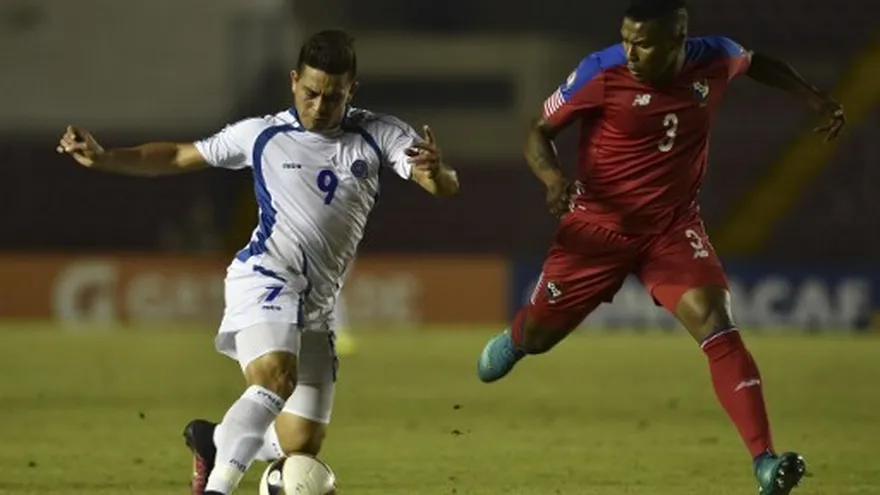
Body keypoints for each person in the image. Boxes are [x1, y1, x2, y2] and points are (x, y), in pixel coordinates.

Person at [57, 29, 459, 495]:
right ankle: (218, 489)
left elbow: (441, 184)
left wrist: (436, 172)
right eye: (310, 93)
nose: (319, 105)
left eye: (333, 96)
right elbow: (178, 154)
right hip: (265, 276)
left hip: (318, 304)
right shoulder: (261, 134)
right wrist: (105, 157)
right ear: (293, 82)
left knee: (300, 443)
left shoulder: (379, 133)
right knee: (275, 378)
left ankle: (215, 441)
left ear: (353, 90)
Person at [476, 1, 844, 493]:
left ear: (678, 40)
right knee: (540, 337)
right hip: (596, 230)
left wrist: (814, 97)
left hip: (672, 230)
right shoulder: (599, 70)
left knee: (718, 325)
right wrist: (551, 178)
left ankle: (764, 461)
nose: (629, 51)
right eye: (626, 39)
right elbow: (538, 131)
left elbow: (758, 63)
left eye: (643, 43)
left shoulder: (714, 57)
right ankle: (520, 338)